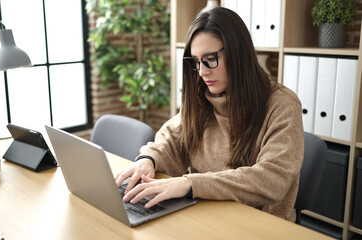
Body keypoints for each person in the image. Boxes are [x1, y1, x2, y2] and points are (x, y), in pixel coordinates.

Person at [114, 7, 304, 222]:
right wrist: (148, 159)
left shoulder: (283, 104)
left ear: (238, 53)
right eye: (196, 62)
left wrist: (190, 183)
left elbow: (272, 179)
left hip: (261, 225)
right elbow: (171, 139)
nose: (202, 72)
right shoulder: (202, 96)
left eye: (210, 58)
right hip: (205, 215)